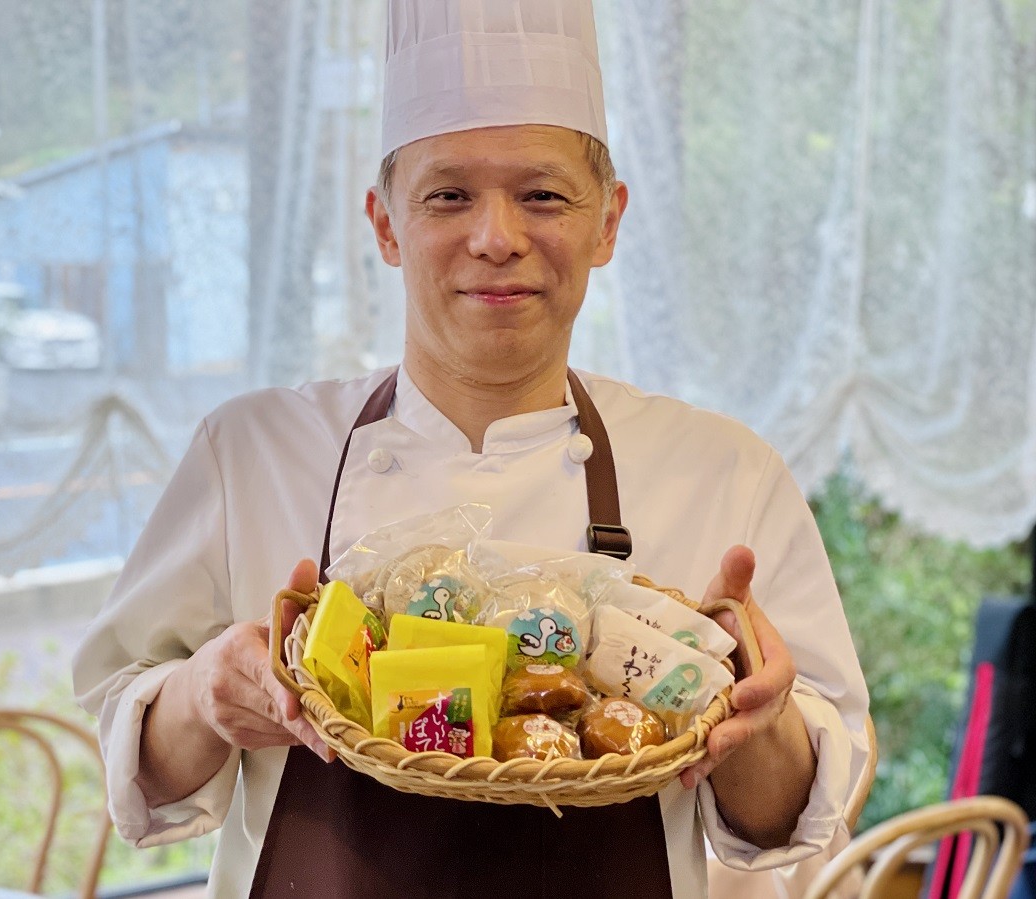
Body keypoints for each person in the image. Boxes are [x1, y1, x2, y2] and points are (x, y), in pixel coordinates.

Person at [73, 1, 872, 896]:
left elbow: (795, 816)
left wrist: (753, 726)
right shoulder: (250, 450)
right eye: (449, 194)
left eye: (543, 194)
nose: (497, 237)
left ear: (608, 221)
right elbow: (133, 764)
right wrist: (202, 696)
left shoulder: (724, 473)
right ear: (384, 223)